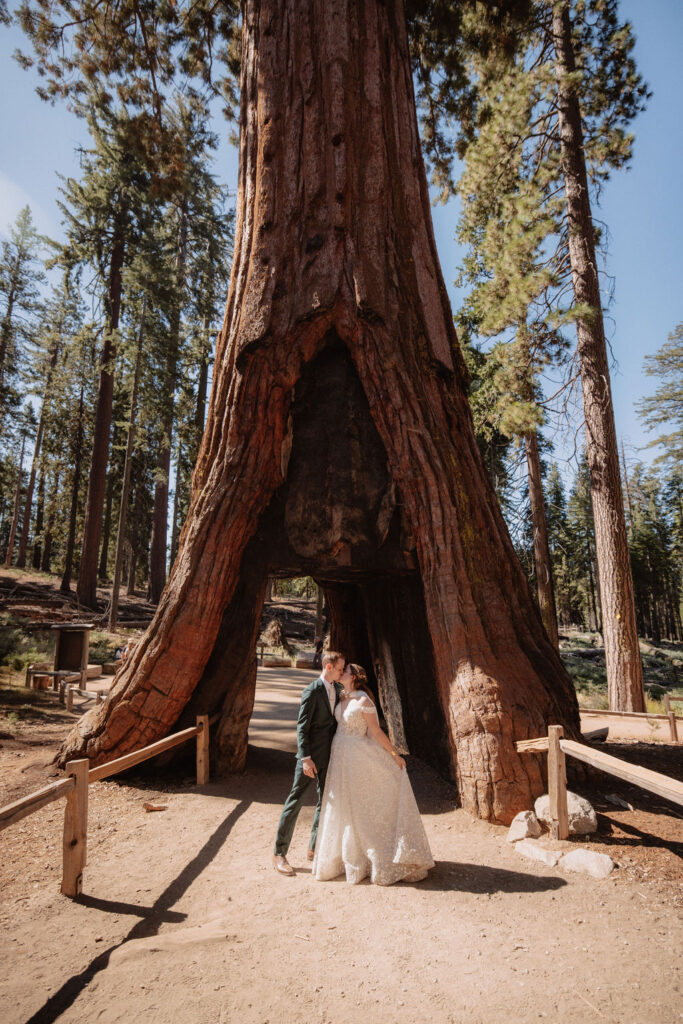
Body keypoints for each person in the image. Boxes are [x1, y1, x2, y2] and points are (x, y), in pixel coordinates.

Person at [313, 663, 434, 886]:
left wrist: (394, 754)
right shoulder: (342, 696)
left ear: (354, 677)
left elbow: (376, 732)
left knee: (360, 805)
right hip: (339, 756)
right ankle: (343, 855)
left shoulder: (363, 701)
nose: (341, 673)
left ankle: (373, 856)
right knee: (343, 804)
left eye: (345, 671)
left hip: (357, 756)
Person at [273, 650, 346, 876]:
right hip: (310, 759)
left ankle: (313, 848)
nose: (343, 672)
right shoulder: (311, 691)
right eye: (340, 668)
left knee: (324, 803)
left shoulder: (339, 689)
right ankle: (279, 853)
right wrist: (305, 759)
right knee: (295, 801)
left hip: (330, 757)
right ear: (329, 666)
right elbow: (302, 727)